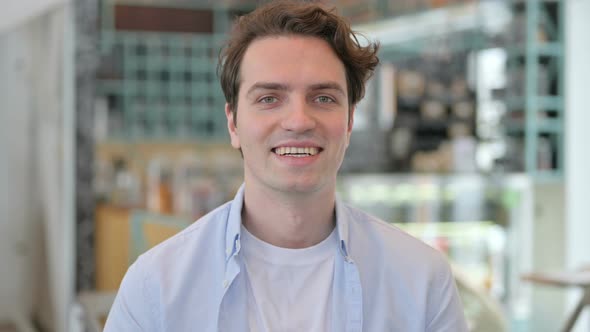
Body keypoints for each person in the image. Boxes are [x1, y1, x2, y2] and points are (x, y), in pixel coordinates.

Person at [104, 1, 468, 331]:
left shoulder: (422, 282)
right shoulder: (156, 288)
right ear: (233, 123)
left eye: (323, 98)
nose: (298, 120)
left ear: (349, 122)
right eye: (269, 98)